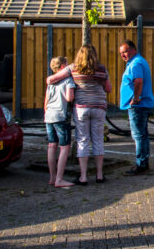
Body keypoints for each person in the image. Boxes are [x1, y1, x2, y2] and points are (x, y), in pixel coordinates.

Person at [47, 45, 111, 185]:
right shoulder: (102, 69)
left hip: (81, 107)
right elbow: (108, 89)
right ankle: (99, 175)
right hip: (99, 107)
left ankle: (83, 177)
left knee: (82, 140)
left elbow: (51, 80)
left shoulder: (72, 68)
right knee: (98, 140)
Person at [119, 40, 154, 176]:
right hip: (143, 104)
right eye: (121, 53)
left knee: (138, 135)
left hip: (138, 105)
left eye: (125, 51)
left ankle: (141, 164)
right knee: (143, 135)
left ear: (133, 50)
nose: (123, 55)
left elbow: (138, 81)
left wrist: (135, 98)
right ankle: (144, 162)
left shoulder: (135, 63)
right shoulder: (138, 61)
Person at [44, 56, 76, 188]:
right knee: (64, 147)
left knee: (52, 145)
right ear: (63, 67)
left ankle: (52, 177)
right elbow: (69, 98)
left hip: (49, 115)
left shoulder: (51, 82)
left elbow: (46, 101)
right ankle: (60, 179)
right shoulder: (68, 80)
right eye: (67, 64)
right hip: (61, 115)